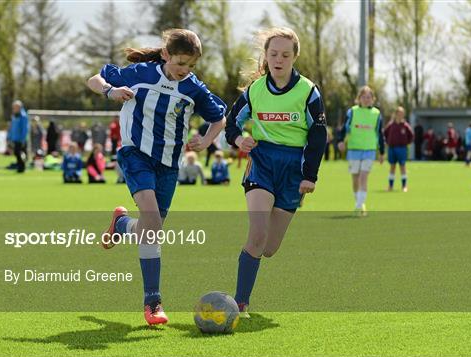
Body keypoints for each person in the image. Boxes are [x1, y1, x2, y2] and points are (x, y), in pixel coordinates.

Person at [87, 28, 226, 325]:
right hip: (136, 155)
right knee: (152, 224)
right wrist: (110, 91)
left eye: (190, 66)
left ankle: (121, 224)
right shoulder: (141, 73)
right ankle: (153, 302)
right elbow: (94, 79)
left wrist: (205, 139)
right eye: (179, 64)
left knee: (151, 229)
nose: (184, 71)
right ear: (165, 55)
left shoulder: (193, 89)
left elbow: (219, 118)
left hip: (169, 166)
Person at [225, 27, 327, 317]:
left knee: (269, 248)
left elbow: (318, 135)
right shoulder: (254, 91)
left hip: (294, 170)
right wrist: (239, 140)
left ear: (295, 57)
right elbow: (231, 124)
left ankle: (246, 283)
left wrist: (310, 175)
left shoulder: (308, 91)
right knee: (257, 236)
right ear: (266, 57)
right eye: (273, 54)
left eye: (285, 54)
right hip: (262, 163)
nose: (278, 59)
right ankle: (240, 303)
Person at [337, 86, 385, 216]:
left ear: (373, 99)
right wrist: (340, 141)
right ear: (359, 98)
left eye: (369, 97)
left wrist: (381, 152)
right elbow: (343, 128)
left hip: (369, 150)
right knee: (355, 179)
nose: (366, 99)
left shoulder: (377, 114)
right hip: (353, 149)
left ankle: (359, 206)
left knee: (364, 177)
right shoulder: (352, 112)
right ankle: (359, 202)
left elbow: (380, 133)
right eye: (363, 97)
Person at [384, 106, 413, 192]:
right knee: (392, 167)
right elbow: (385, 133)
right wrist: (387, 142)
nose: (400, 115)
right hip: (392, 148)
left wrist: (406, 143)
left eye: (402, 114)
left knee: (402, 166)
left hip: (402, 149)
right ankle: (390, 186)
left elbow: (411, 136)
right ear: (396, 114)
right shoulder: (391, 125)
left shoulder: (405, 126)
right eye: (399, 113)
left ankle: (404, 186)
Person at [8, 100, 29, 173]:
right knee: (16, 153)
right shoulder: (14, 116)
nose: (14, 109)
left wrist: (23, 139)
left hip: (21, 139)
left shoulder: (23, 116)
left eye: (16, 107)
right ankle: (19, 167)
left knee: (19, 153)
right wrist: (10, 137)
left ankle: (22, 167)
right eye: (13, 107)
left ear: (20, 107)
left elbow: (25, 129)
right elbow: (11, 128)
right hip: (15, 138)